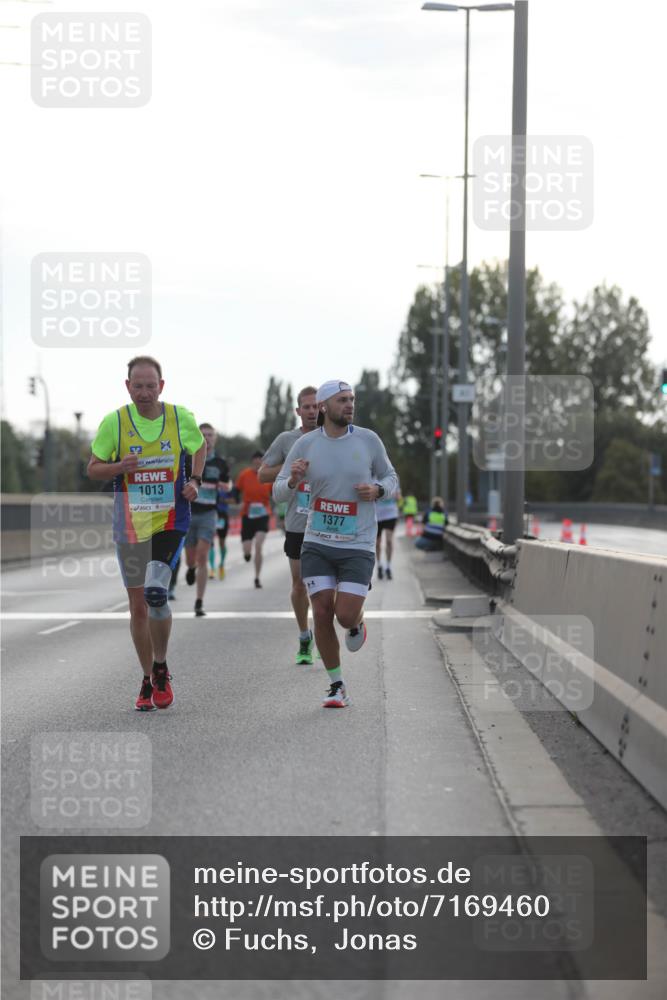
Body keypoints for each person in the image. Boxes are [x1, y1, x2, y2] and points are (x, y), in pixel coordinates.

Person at [87, 355, 205, 711]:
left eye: (150, 385)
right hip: (130, 523)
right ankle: (146, 676)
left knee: (156, 592)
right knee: (138, 606)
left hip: (170, 518)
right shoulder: (115, 423)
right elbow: (92, 469)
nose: (144, 392)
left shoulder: (179, 417)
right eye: (137, 386)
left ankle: (162, 665)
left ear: (161, 386)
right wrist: (119, 466)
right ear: (128, 387)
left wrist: (195, 481)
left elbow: (198, 447)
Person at [274, 380, 398, 708]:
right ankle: (337, 684)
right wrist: (293, 480)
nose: (350, 405)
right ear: (325, 406)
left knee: (343, 616)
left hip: (358, 542)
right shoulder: (306, 444)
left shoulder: (369, 440)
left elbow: (392, 479)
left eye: (352, 399)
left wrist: (378, 491)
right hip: (317, 541)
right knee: (321, 609)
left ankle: (357, 620)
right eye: (342, 400)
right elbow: (278, 491)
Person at [259, 386, 319, 664]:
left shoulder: (333, 438)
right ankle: (305, 636)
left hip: (330, 522)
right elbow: (262, 475)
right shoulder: (287, 439)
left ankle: (334, 626)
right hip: (297, 521)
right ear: (298, 410)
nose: (311, 411)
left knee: (329, 586)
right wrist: (289, 469)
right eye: (306, 407)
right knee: (299, 584)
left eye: (316, 406)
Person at [183, 423, 231, 616]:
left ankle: (199, 601)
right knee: (190, 559)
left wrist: (225, 486)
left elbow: (228, 482)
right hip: (188, 513)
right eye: (203, 435)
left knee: (203, 555)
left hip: (209, 514)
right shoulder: (187, 460)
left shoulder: (220, 462)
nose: (207, 438)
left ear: (215, 438)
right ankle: (190, 568)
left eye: (210, 435)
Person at [235, 451, 273, 588]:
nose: (258, 464)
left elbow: (275, 492)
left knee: (258, 545)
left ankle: (257, 577)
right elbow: (236, 490)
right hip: (247, 515)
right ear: (252, 462)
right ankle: (246, 554)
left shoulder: (268, 475)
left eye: (260, 461)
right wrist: (236, 501)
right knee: (247, 549)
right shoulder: (244, 475)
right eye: (255, 461)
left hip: (263, 515)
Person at [376, 479, 402, 580]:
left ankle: (388, 566)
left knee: (389, 541)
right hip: (377, 515)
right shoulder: (374, 476)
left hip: (391, 514)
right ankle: (379, 566)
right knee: (377, 543)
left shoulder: (394, 477)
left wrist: (397, 496)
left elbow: (399, 496)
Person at [209, 482, 234, 579]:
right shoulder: (209, 480)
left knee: (222, 542)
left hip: (222, 516)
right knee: (210, 542)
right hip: (211, 514)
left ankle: (222, 565)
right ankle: (212, 568)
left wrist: (223, 499)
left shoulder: (226, 482)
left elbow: (234, 499)